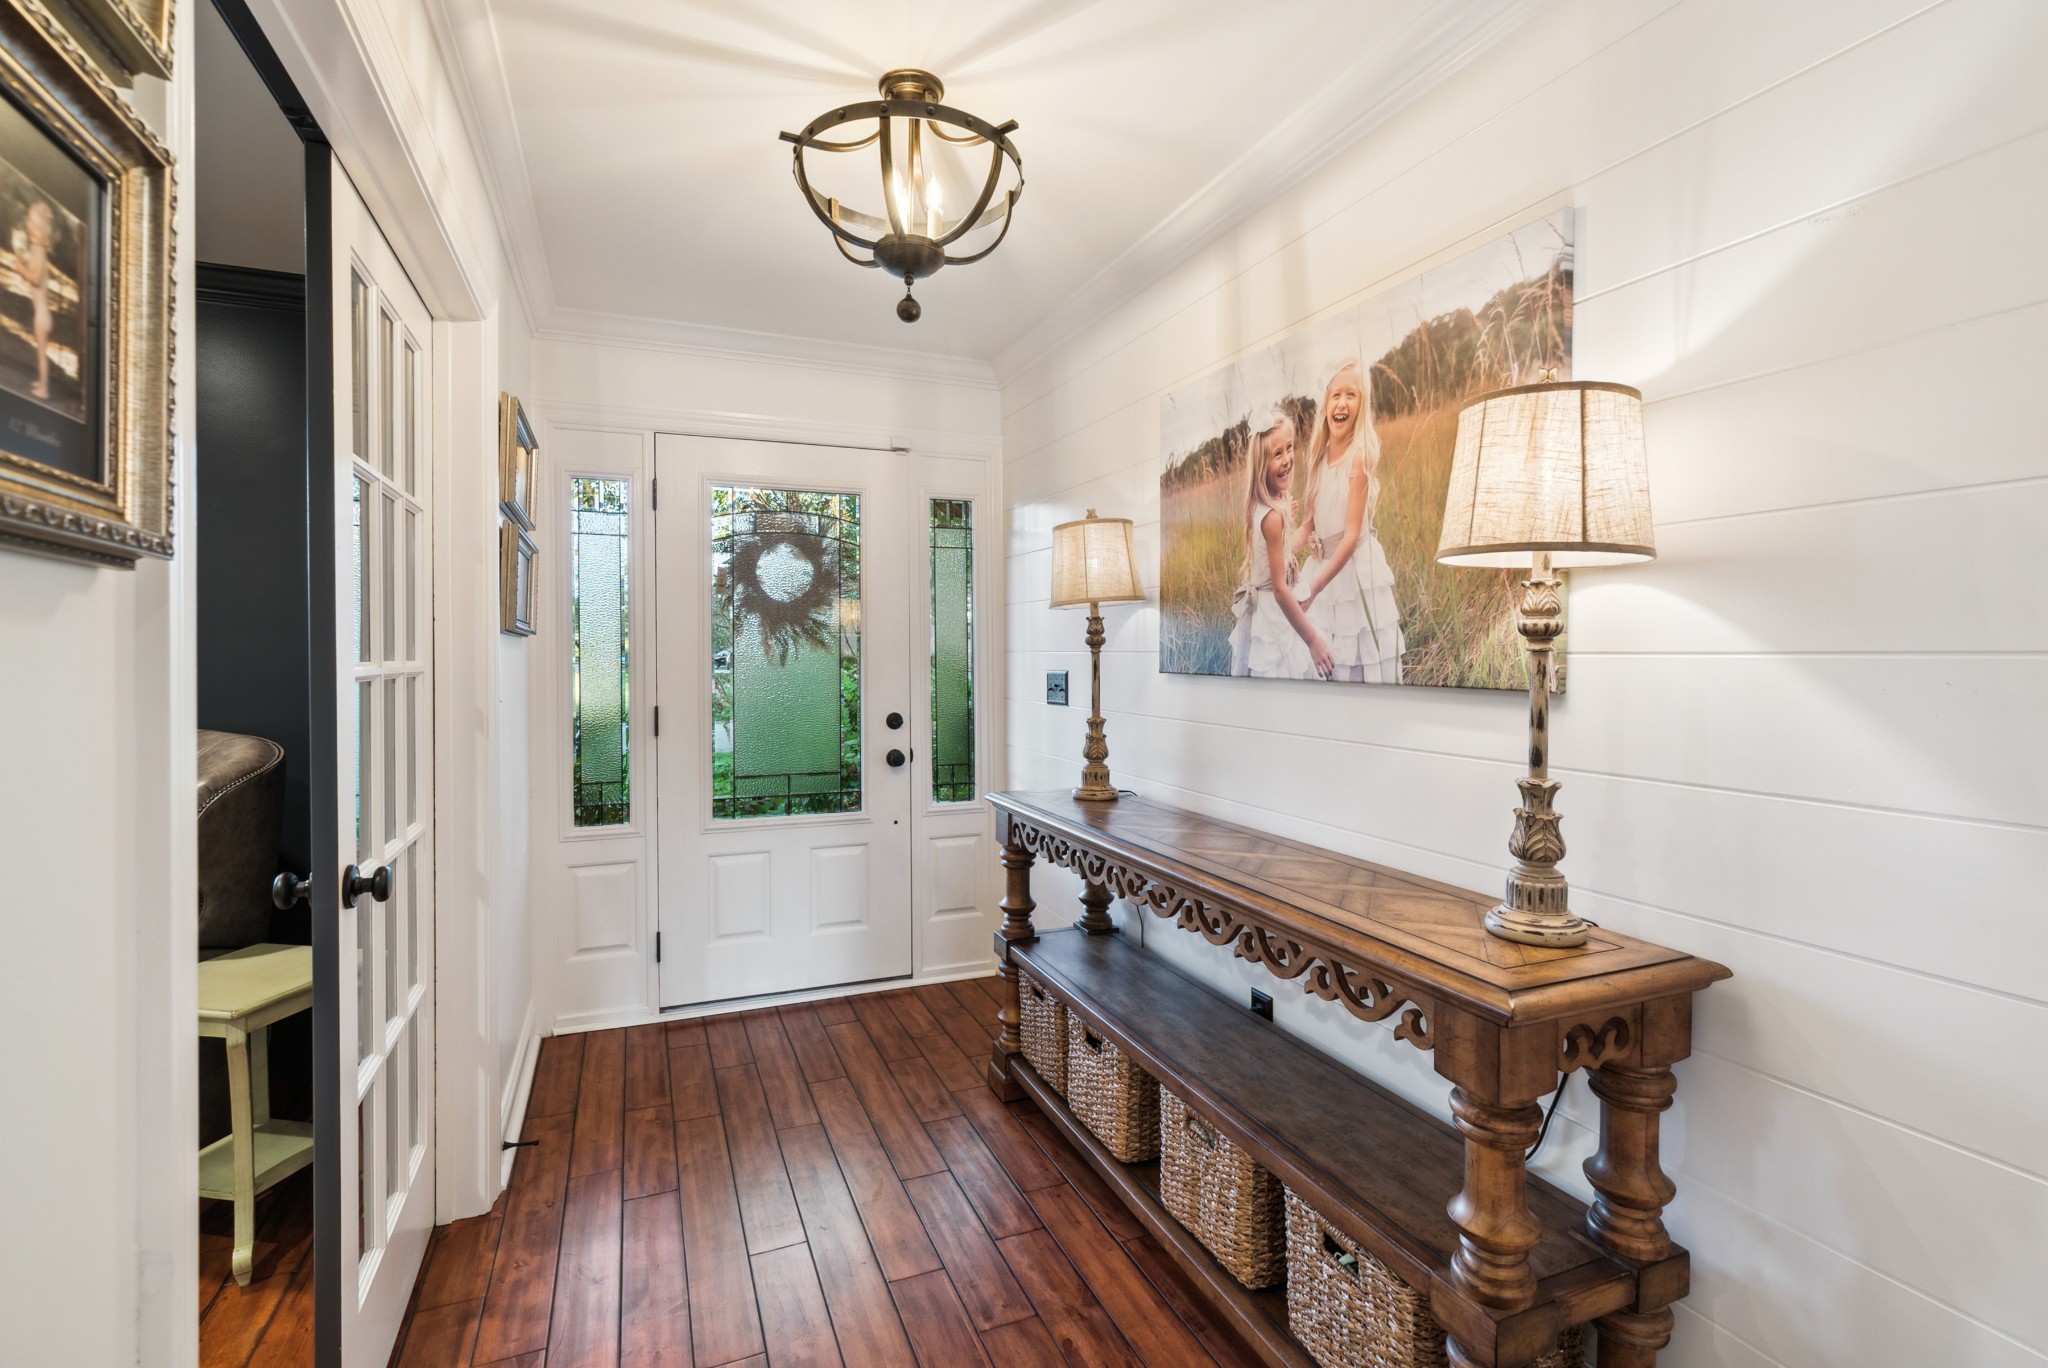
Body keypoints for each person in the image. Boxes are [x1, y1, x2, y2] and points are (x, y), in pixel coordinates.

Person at [1295, 360, 1402, 682]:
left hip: (1353, 571)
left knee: (1358, 657)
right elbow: (1307, 527)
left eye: (1351, 395)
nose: (1342, 403)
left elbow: (1352, 535)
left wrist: (1313, 588)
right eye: (1335, 395)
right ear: (1325, 404)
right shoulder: (1316, 458)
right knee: (1321, 659)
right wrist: (1275, 554)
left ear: (1362, 403)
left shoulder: (1360, 455)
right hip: (1320, 567)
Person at [1228, 405, 1332, 680]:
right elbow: (1280, 589)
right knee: (1285, 675)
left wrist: (1304, 523)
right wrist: (1312, 640)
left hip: (1264, 607)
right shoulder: (1272, 517)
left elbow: (1282, 552)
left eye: (1289, 448)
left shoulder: (1265, 506)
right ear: (1262, 465)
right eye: (1277, 454)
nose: (1287, 459)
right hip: (1274, 614)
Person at [21, 200, 54, 401]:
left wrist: (20, 269)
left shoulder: (40, 251)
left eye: (37, 227)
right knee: (40, 351)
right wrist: (26, 264)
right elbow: (35, 271)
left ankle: (45, 389)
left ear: (45, 234)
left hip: (42, 317)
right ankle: (41, 383)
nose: (32, 229)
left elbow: (35, 278)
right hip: (41, 314)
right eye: (30, 224)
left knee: (42, 354)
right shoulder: (35, 249)